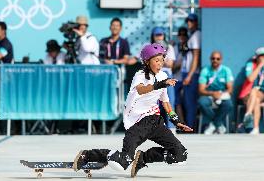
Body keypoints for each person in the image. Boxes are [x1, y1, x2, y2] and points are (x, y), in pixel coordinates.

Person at [73, 43, 193, 177]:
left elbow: (165, 102)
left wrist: (176, 121)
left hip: (155, 122)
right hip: (137, 124)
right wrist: (161, 84)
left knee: (180, 155)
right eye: (157, 60)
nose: (160, 63)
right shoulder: (140, 75)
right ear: (147, 62)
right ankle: (88, 155)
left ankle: (143, 158)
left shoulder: (163, 75)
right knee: (122, 163)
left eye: (162, 60)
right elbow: (142, 90)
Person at [198, 51, 233, 134]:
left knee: (229, 104)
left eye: (218, 59)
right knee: (202, 102)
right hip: (209, 95)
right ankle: (218, 124)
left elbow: (230, 89)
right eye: (213, 58)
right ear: (210, 59)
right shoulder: (205, 70)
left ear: (221, 60)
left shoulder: (226, 70)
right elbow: (201, 90)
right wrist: (212, 94)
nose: (215, 60)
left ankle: (213, 125)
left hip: (222, 95)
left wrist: (220, 95)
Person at [182, 13, 201, 128]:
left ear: (196, 22)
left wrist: (190, 75)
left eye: (191, 21)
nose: (189, 23)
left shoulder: (197, 35)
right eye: (188, 21)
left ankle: (190, 127)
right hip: (187, 72)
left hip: (191, 74)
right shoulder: (192, 35)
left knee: (190, 103)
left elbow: (196, 57)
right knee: (186, 102)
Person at [240, 47, 264, 135]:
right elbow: (250, 78)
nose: (263, 58)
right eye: (262, 56)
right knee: (256, 98)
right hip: (249, 95)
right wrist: (260, 66)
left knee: (255, 93)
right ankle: (256, 128)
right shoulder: (251, 65)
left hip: (261, 93)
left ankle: (248, 114)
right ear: (257, 57)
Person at [173, 27, 190, 125]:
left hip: (188, 79)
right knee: (177, 101)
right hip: (177, 79)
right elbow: (173, 66)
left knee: (187, 102)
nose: (182, 37)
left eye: (184, 34)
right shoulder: (176, 48)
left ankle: (189, 123)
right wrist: (178, 65)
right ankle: (181, 122)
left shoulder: (190, 47)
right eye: (180, 34)